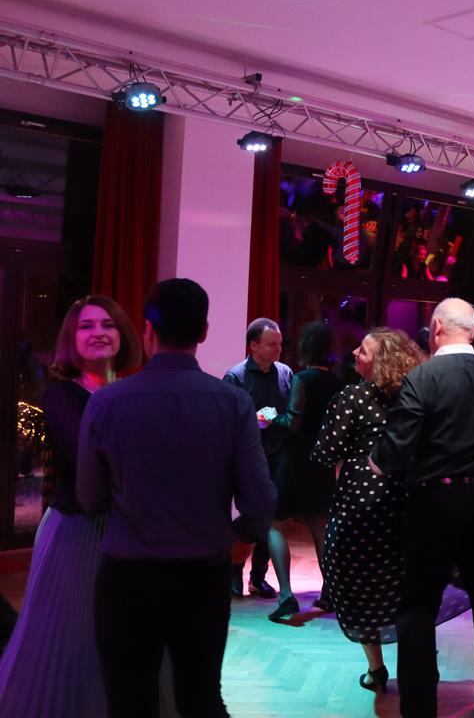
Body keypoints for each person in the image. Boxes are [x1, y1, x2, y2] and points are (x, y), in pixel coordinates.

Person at [77, 278, 277, 717]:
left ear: (147, 331)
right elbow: (260, 499)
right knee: (200, 697)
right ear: (203, 331)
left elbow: (89, 498)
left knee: (129, 703)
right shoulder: (232, 403)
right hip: (201, 574)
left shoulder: (106, 403)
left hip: (127, 576)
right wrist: (242, 536)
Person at [369, 298, 474, 718]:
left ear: (436, 327)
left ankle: (420, 708)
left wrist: (376, 462)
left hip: (434, 503)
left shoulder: (423, 378)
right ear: (473, 331)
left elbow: (394, 450)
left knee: (418, 605)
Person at [0, 295, 140, 717]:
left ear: (123, 334)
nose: (98, 332)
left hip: (129, 532)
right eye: (86, 326)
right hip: (76, 532)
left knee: (129, 636)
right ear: (71, 339)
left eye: (108, 324)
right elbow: (89, 459)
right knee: (70, 638)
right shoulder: (61, 396)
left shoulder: (133, 393)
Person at [314, 328, 470, 694]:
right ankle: (423, 665)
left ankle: (376, 670)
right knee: (412, 587)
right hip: (411, 500)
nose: (355, 352)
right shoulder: (419, 396)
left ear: (381, 362)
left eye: (363, 350)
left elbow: (326, 452)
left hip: (360, 506)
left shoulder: (350, 398)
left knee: (360, 586)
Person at [265, 322, 343, 621]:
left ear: (305, 347)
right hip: (321, 462)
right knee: (320, 528)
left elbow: (293, 422)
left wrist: (271, 418)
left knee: (275, 524)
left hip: (295, 460)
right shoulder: (337, 383)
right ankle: (330, 593)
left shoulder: (302, 378)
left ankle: (286, 595)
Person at [224, 317, 292, 600]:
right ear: (253, 346)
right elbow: (228, 420)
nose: (278, 349)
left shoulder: (285, 373)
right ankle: (233, 571)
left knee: (271, 518)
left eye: (280, 343)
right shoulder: (235, 376)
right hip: (248, 457)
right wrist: (257, 420)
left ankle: (258, 577)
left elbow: (289, 413)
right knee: (253, 516)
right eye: (272, 344)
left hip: (278, 456)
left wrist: (276, 419)